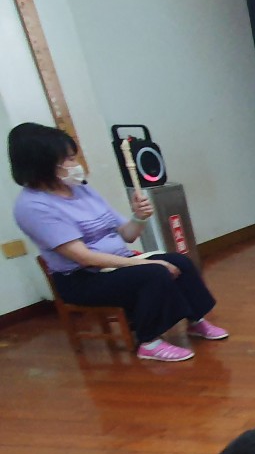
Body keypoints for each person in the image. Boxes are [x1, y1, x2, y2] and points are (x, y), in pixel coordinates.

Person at [9, 122, 227, 363]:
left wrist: (139, 217)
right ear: (42, 163)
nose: (75, 164)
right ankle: (149, 341)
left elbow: (128, 235)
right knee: (154, 274)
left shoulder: (81, 189)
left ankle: (195, 320)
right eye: (68, 159)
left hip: (117, 261)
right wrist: (144, 264)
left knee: (179, 262)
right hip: (83, 278)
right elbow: (84, 257)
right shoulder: (34, 207)